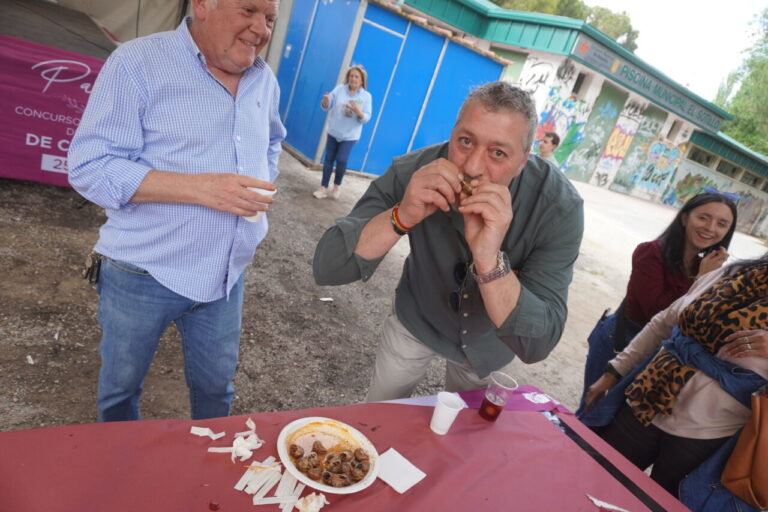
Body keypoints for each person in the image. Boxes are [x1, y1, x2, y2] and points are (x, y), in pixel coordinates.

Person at [67, 0, 286, 421]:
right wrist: (201, 188)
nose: (260, 28)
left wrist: (264, 178)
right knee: (120, 388)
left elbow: (273, 140)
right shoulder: (138, 63)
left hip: (226, 274)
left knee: (216, 390)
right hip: (142, 272)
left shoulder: (265, 79)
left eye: (270, 18)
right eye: (248, 11)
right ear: (203, 4)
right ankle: (119, 468)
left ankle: (209, 468)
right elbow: (90, 167)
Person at [313, 81, 584, 401]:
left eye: (498, 153)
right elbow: (327, 267)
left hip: (490, 342)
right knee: (380, 415)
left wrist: (489, 259)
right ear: (452, 133)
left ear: (523, 161)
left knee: (465, 437)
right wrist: (402, 216)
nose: (471, 167)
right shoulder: (413, 169)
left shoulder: (558, 206)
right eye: (465, 141)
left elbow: (538, 343)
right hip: (417, 318)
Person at [582, 256, 768, 498]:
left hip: (708, 435)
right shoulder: (733, 272)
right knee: (591, 481)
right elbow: (664, 322)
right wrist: (614, 372)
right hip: (645, 402)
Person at [575, 192, 737, 416]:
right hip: (621, 342)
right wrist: (699, 281)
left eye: (721, 223)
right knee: (592, 412)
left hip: (656, 352)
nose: (711, 228)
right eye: (704, 217)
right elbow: (656, 312)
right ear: (684, 218)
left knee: (614, 423)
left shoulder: (708, 267)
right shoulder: (651, 252)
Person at [312, 65, 373, 200]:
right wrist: (325, 100)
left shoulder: (366, 96)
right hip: (334, 131)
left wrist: (358, 111)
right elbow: (327, 106)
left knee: (341, 159)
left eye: (357, 76)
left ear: (362, 80)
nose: (353, 78)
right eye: (351, 76)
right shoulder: (339, 89)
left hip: (350, 135)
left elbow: (367, 117)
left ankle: (337, 185)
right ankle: (323, 188)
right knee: (328, 159)